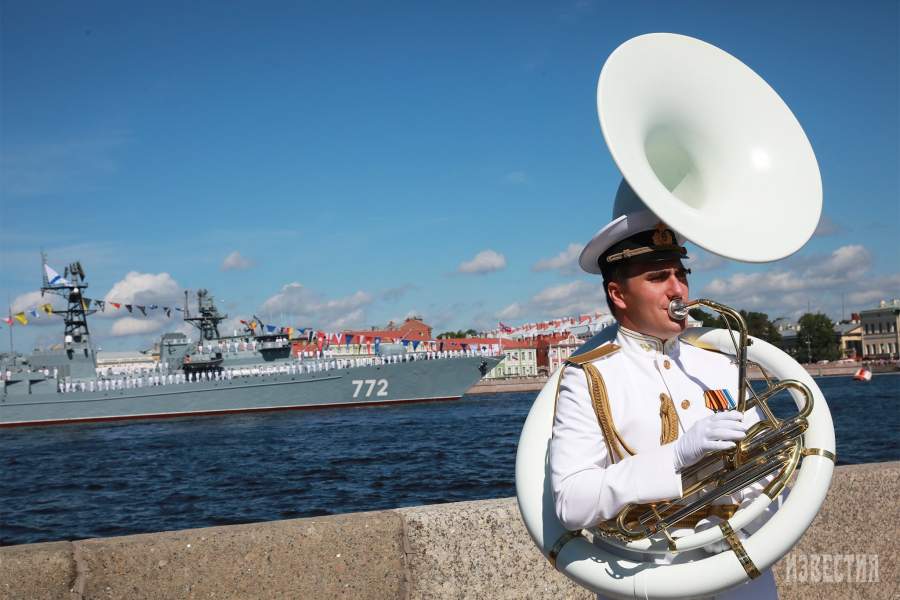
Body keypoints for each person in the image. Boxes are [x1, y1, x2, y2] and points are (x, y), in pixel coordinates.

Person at [548, 198, 779, 599]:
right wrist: (675, 457)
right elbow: (571, 502)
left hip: (745, 582)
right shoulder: (589, 376)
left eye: (680, 273)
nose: (678, 289)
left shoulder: (720, 362)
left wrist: (759, 517)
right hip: (653, 578)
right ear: (618, 294)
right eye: (658, 277)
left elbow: (771, 461)